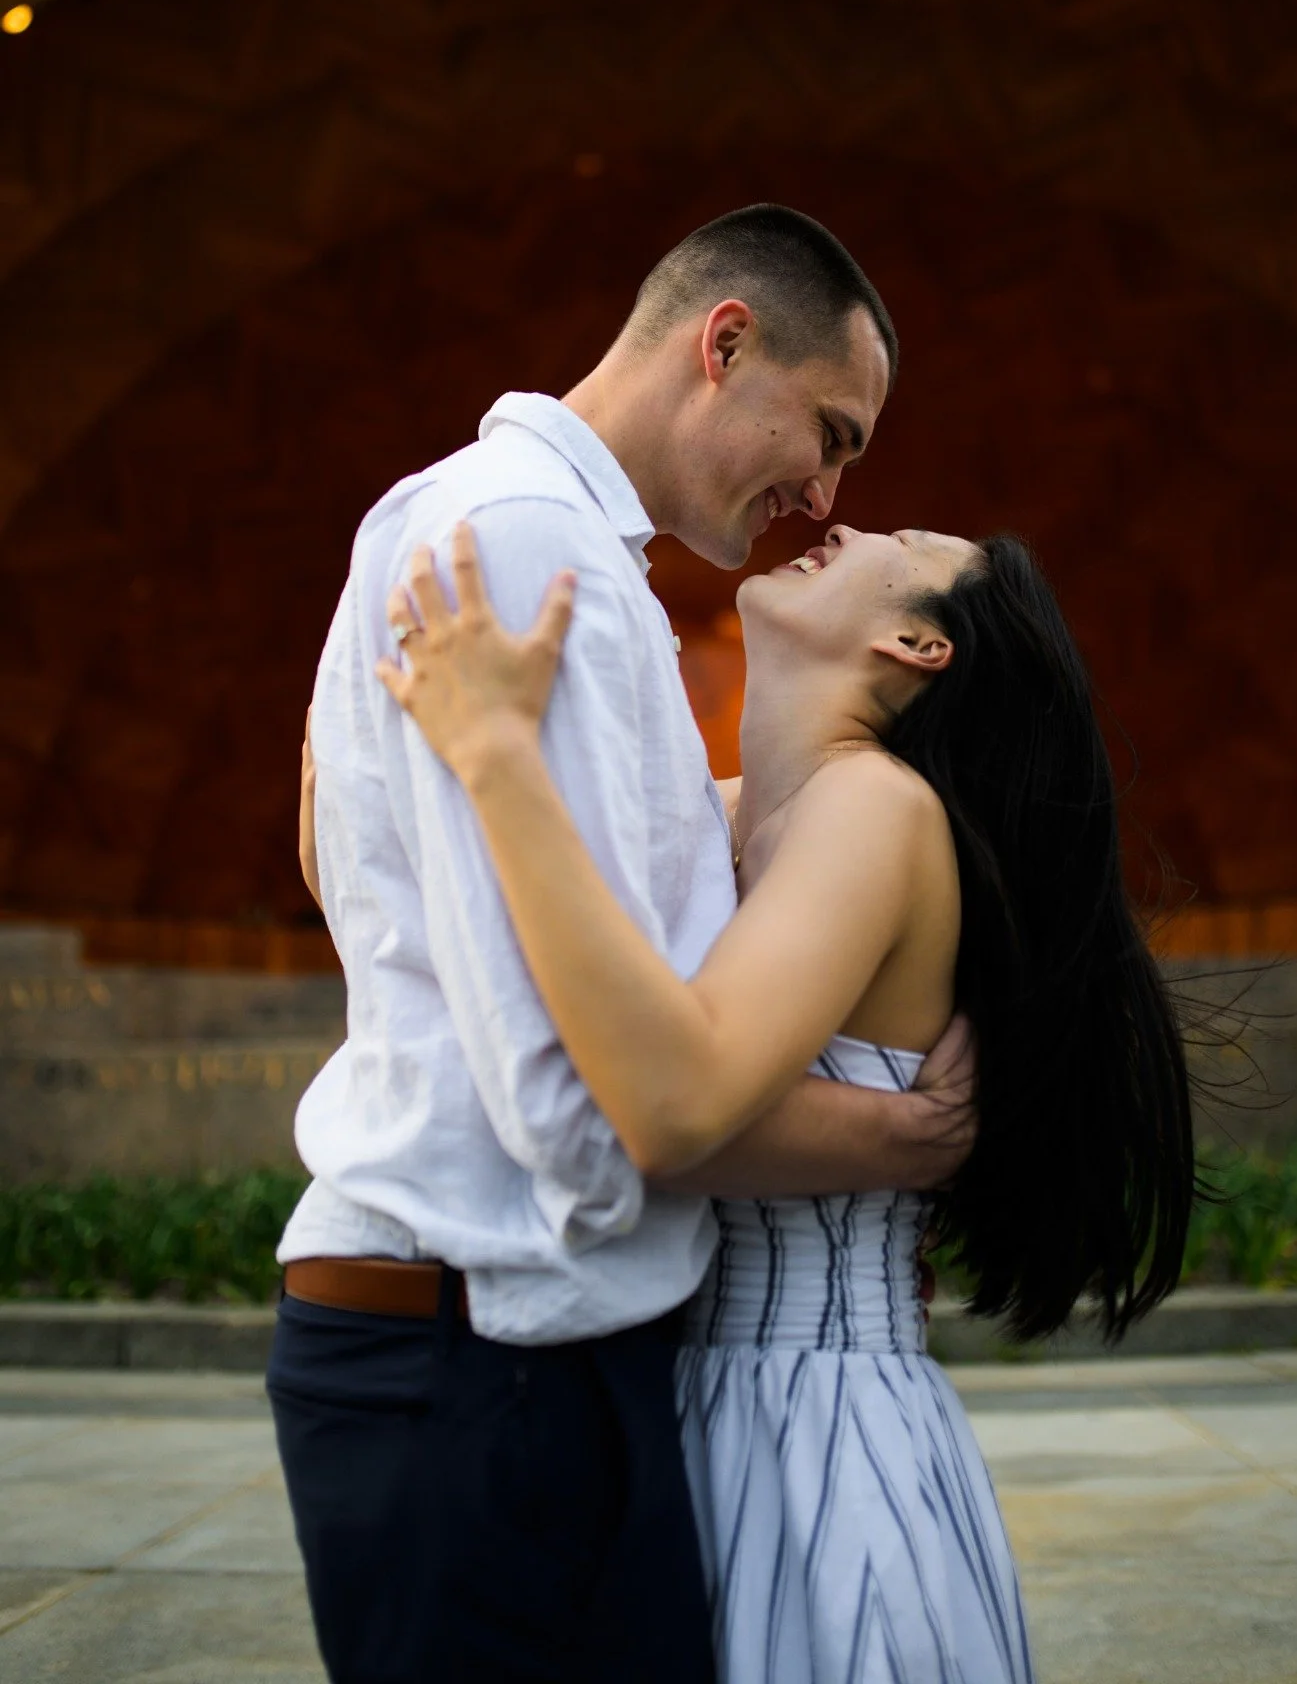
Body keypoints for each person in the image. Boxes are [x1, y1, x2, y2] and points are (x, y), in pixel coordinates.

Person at [269, 204, 979, 1684]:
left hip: (505, 1349)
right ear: (724, 342)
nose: (828, 494)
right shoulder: (533, 549)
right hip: (488, 1356)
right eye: (831, 432)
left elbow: (392, 901)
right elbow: (590, 1106)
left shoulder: (537, 541)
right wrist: (887, 1134)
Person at [372, 516, 1196, 1684]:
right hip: (681, 1401)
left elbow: (653, 1097)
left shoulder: (875, 806)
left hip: (817, 1422)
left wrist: (498, 753)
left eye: (901, 538)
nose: (844, 519)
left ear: (919, 642)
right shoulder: (715, 811)